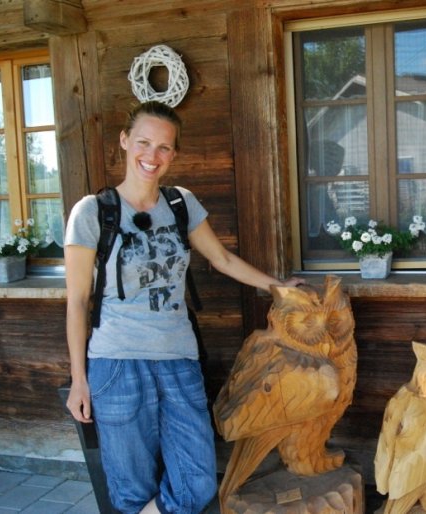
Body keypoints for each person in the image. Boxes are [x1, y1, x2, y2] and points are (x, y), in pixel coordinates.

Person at [64, 100, 304, 514]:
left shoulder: (180, 204)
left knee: (195, 480)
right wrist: (79, 380)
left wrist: (278, 287)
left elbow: (222, 259)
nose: (151, 156)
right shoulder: (93, 212)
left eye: (163, 147)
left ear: (174, 153)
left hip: (178, 357)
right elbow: (77, 301)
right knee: (129, 487)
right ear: (125, 141)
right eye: (143, 143)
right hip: (116, 363)